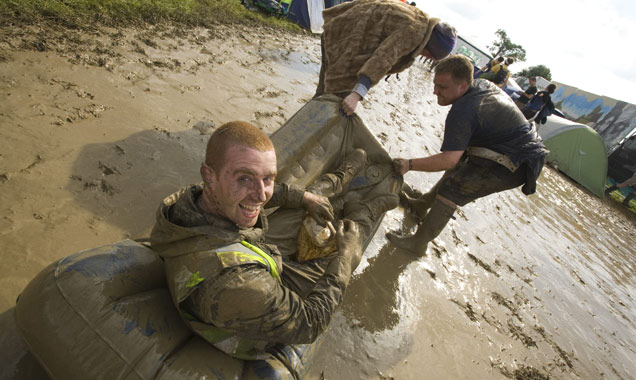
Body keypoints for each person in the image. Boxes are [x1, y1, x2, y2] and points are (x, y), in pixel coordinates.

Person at [149, 121, 398, 369]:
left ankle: (338, 181)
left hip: (246, 248)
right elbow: (309, 322)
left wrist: (302, 198)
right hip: (254, 304)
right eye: (244, 178)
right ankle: (363, 211)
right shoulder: (242, 286)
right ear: (209, 176)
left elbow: (264, 194)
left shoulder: (193, 199)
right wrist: (346, 259)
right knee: (347, 241)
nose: (260, 194)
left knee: (309, 202)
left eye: (267, 178)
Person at [386, 55, 548, 255]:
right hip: (512, 148)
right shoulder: (478, 86)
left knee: (454, 188)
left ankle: (418, 244)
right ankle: (421, 206)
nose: (435, 91)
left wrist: (408, 165)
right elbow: (455, 160)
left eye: (442, 87)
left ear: (462, 86)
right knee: (460, 165)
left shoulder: (464, 109)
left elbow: (448, 159)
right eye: (435, 85)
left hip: (516, 160)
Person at [314, 0, 457, 116]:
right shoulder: (414, 31)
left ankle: (302, 129)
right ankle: (306, 135)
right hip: (343, 39)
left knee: (325, 95)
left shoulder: (420, 20)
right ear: (430, 45)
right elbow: (383, 58)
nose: (426, 57)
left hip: (341, 31)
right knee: (336, 99)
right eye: (430, 55)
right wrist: (356, 95)